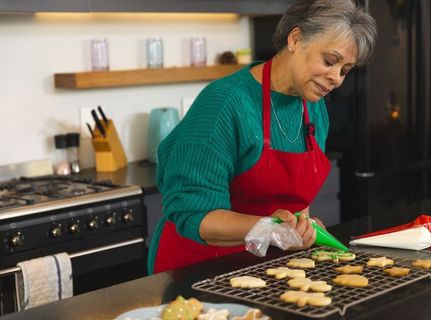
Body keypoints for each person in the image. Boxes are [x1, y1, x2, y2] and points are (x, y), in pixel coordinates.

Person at [148, 0, 377, 274]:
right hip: (198, 268)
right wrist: (268, 228)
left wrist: (300, 227)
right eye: (329, 61)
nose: (336, 79)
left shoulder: (312, 106)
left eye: (345, 70)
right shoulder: (224, 104)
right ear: (295, 39)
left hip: (264, 267)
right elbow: (195, 215)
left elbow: (295, 200)